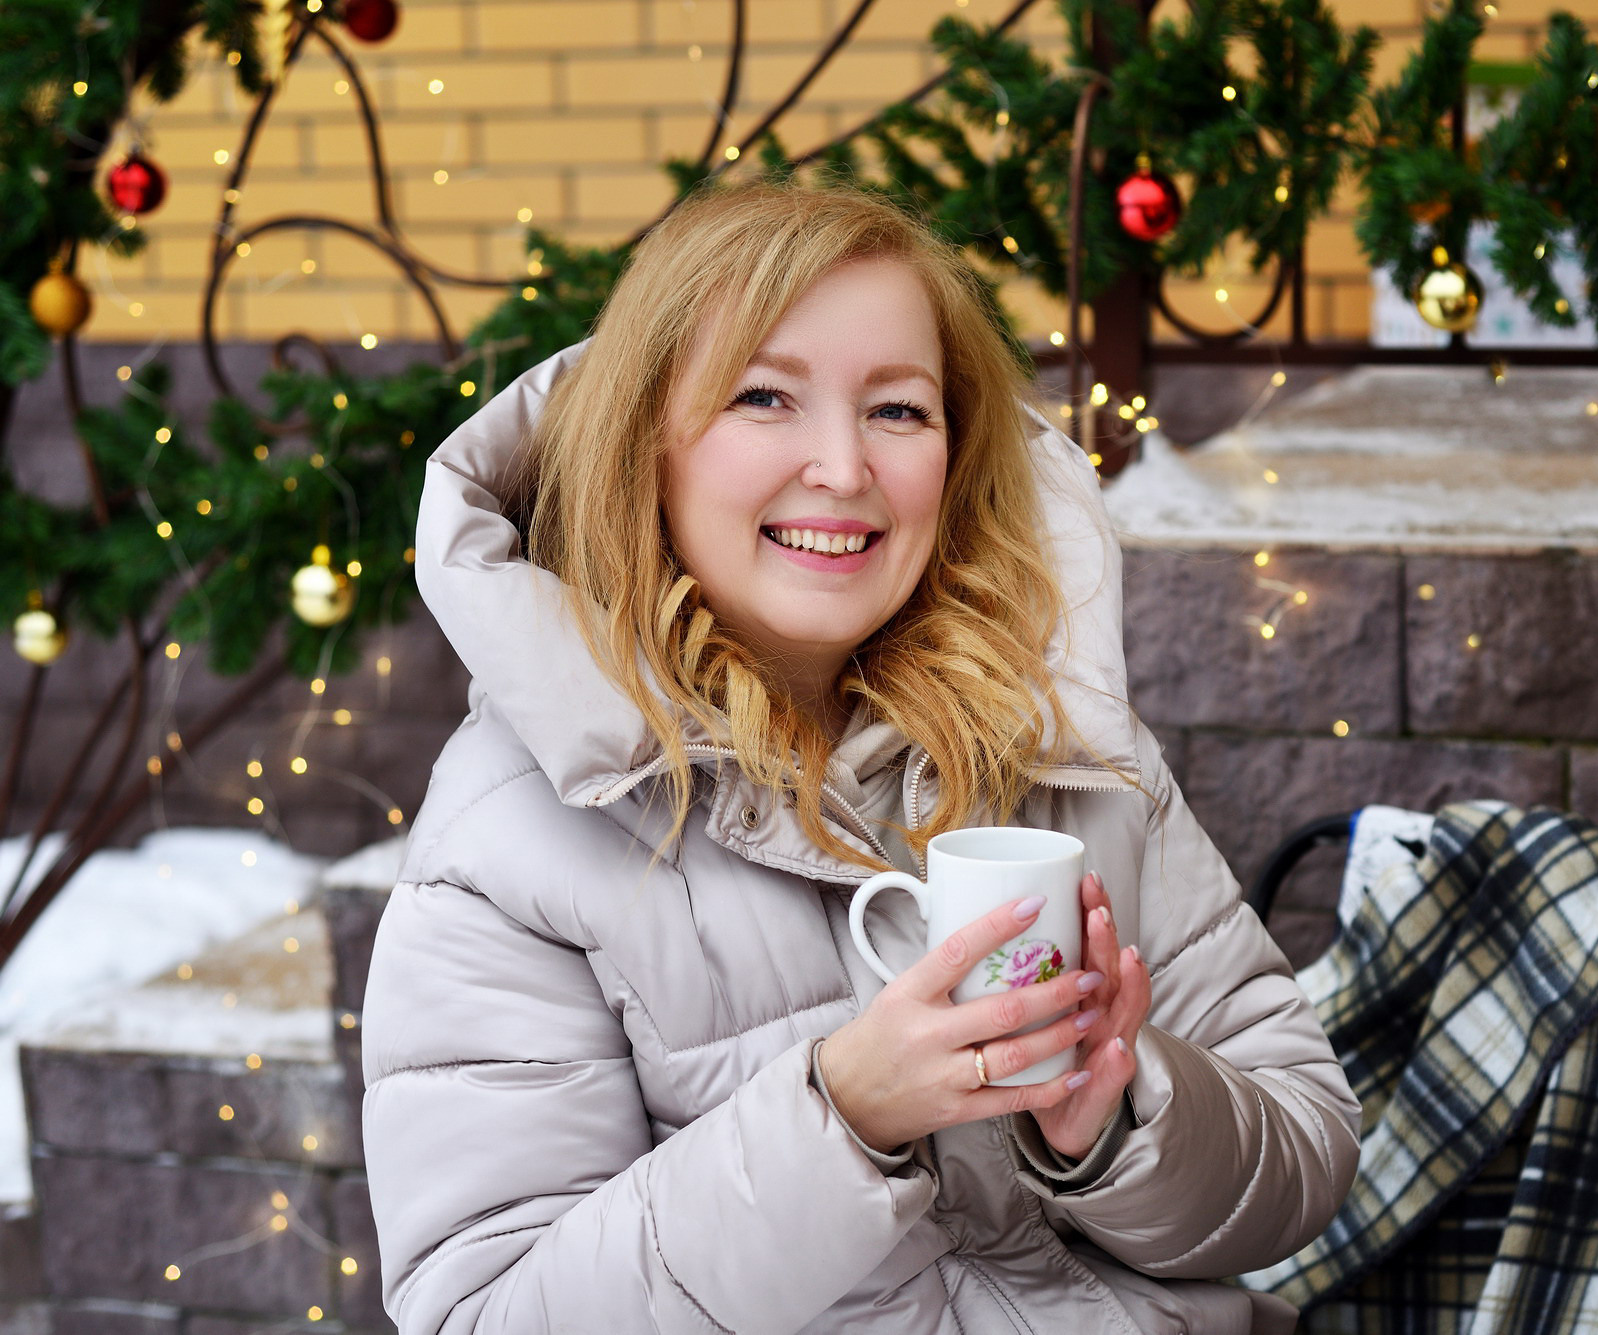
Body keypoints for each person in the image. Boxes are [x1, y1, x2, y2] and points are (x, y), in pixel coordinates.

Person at [360, 180, 1362, 1335]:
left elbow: (1306, 1156)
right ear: (644, 443)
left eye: (896, 410)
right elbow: (485, 1317)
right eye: (762, 397)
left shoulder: (1061, 748)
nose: (842, 468)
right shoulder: (514, 841)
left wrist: (1117, 1119)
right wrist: (840, 1120)